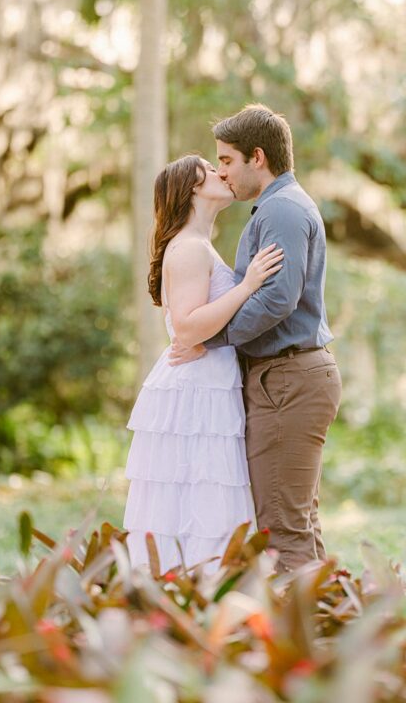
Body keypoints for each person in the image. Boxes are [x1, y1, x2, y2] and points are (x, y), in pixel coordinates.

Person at [170, 104, 341, 573]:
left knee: (283, 529)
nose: (222, 172)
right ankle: (328, 623)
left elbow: (276, 300)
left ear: (257, 157)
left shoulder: (282, 210)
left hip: (288, 377)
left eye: (226, 160)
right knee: (295, 521)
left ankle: (301, 636)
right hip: (283, 377)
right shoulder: (274, 207)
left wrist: (213, 338)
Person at [123, 154, 284, 573]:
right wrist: (248, 285)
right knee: (198, 501)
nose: (222, 173)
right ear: (193, 187)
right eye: (211, 170)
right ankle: (194, 588)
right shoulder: (190, 249)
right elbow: (188, 329)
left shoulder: (196, 244)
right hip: (196, 391)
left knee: (202, 499)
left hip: (205, 381)